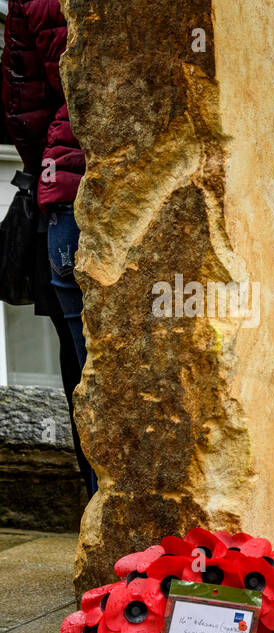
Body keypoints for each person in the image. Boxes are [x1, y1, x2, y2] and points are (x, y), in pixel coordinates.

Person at [2, 0, 95, 497]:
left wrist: (52, 168)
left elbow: (22, 103)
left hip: (65, 193)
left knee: (84, 369)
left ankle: (112, 526)